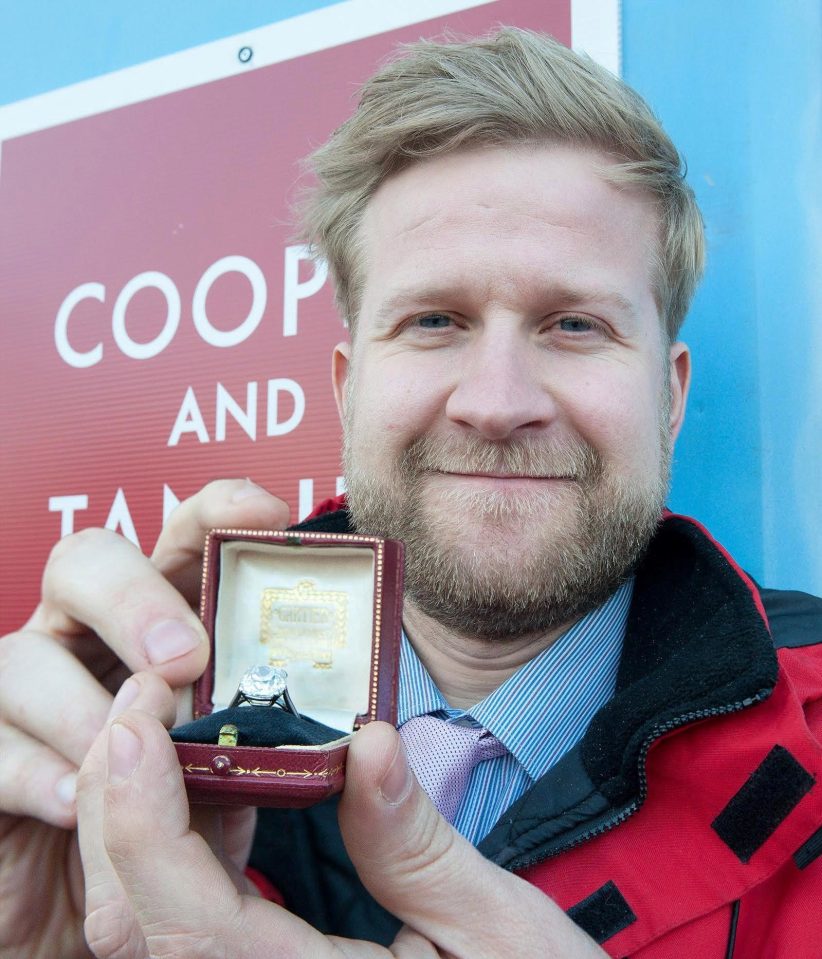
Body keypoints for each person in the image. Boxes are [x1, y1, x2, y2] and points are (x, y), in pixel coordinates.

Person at [1, 28, 820, 959]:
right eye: (435, 320)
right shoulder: (166, 721)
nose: (496, 402)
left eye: (575, 324)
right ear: (349, 389)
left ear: (669, 395)